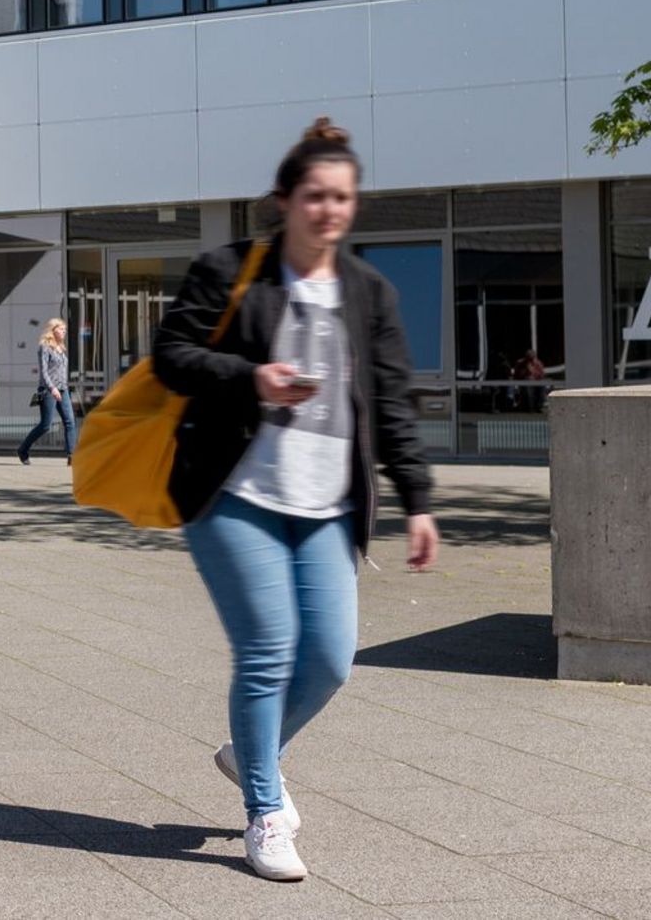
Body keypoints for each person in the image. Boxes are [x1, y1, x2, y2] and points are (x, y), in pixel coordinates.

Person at [152, 118, 438, 882]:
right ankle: (265, 810)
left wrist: (417, 499)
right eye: (315, 195)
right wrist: (252, 378)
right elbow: (171, 355)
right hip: (233, 492)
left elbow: (393, 401)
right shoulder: (229, 270)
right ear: (285, 200)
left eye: (342, 197)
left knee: (331, 659)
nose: (329, 210)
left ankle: (251, 751)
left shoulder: (367, 291)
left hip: (326, 501)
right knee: (270, 649)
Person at [18, 319, 77, 464]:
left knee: (70, 422)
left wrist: (64, 388)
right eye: (61, 329)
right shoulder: (45, 347)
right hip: (48, 390)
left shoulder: (61, 348)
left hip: (63, 389)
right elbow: (44, 372)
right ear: (53, 330)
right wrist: (52, 388)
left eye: (65, 329)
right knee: (45, 425)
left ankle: (72, 456)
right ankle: (23, 450)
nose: (64, 331)